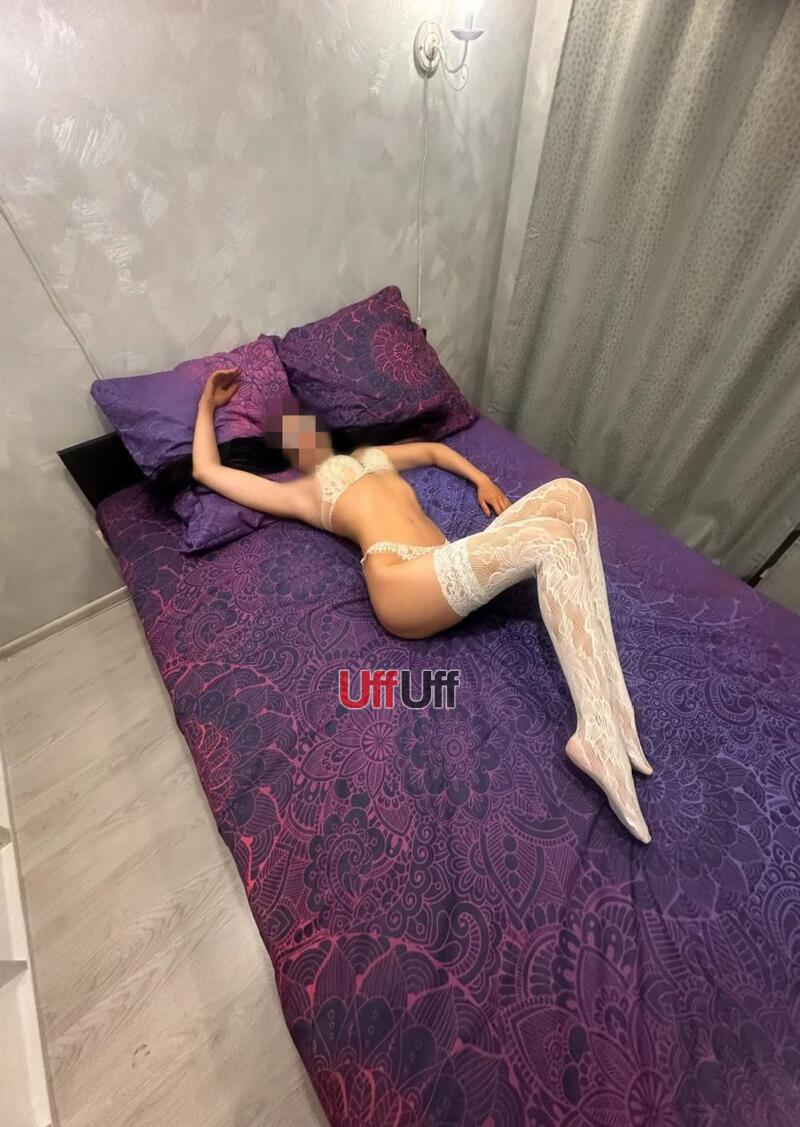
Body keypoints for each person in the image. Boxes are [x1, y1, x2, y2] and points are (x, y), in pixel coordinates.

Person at [155, 367, 653, 843]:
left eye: (303, 423)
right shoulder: (300, 492)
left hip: (446, 562)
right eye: (289, 435)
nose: (301, 434)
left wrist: (481, 479)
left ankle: (612, 705)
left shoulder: (372, 455)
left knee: (570, 496)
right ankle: (594, 733)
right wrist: (207, 405)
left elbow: (435, 450)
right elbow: (207, 469)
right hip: (400, 581)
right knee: (550, 540)